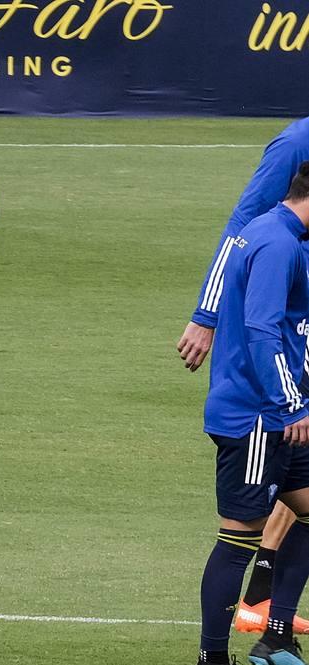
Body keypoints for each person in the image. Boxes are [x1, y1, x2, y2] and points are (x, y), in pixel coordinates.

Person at [178, 118, 309, 636]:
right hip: (261, 401)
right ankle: (216, 657)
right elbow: (244, 230)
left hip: (285, 369)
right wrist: (207, 315)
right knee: (239, 530)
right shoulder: (295, 148)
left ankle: (272, 629)